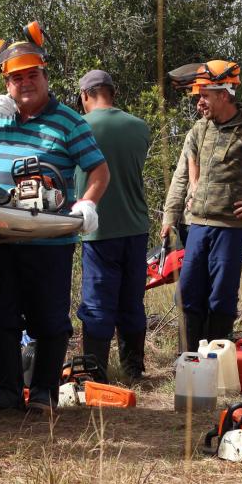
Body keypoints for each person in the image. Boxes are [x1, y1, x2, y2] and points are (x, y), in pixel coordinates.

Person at [0, 23, 110, 415]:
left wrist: (87, 204)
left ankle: (43, 393)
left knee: (49, 318)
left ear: (45, 76)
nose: (25, 84)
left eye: (31, 76)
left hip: (50, 239)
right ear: (7, 83)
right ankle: (7, 391)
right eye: (16, 78)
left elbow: (99, 171)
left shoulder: (70, 122)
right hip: (3, 237)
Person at [161, 60, 242, 350]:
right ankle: (188, 359)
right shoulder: (200, 128)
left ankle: (216, 360)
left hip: (231, 228)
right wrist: (193, 187)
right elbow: (190, 157)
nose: (199, 103)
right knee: (188, 293)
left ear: (224, 94)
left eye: (204, 95)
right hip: (197, 224)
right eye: (198, 96)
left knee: (220, 296)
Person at [74, 69, 150, 380]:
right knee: (131, 301)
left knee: (97, 303)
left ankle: (95, 374)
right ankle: (134, 370)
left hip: (98, 229)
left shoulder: (80, 126)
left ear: (85, 96)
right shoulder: (139, 127)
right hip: (136, 226)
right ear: (112, 93)